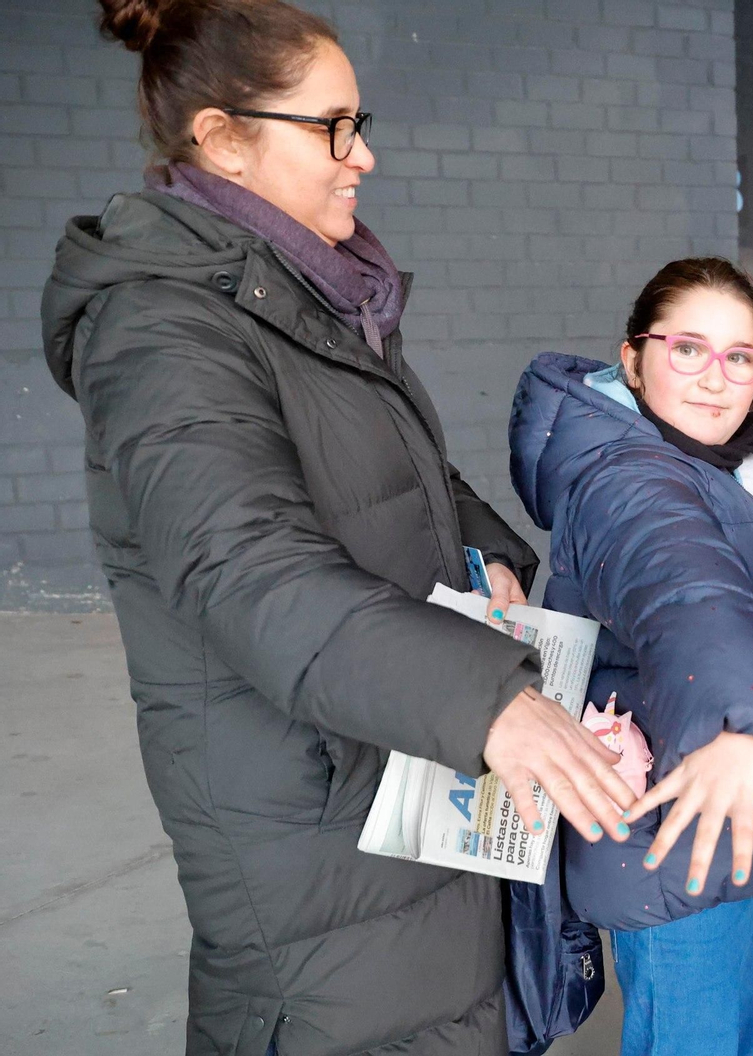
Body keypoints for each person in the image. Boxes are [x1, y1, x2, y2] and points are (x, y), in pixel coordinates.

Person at [42, 2, 638, 1052]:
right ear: (223, 137)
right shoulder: (161, 327)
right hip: (306, 809)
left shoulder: (306, 289)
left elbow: (406, 473)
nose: (360, 155)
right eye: (332, 127)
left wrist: (487, 553)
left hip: (394, 745)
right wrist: (488, 700)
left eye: (360, 122)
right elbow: (246, 567)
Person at [507, 258, 753, 1056]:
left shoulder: (699, 459)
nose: (715, 380)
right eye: (687, 349)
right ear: (632, 358)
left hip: (701, 819)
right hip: (680, 824)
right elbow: (680, 582)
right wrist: (734, 720)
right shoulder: (633, 474)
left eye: (740, 357)